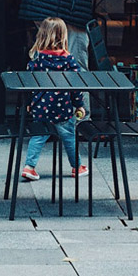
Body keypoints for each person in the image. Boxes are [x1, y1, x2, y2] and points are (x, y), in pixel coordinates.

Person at [18, 17, 88, 182]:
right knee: (69, 137)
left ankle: (29, 167)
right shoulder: (68, 60)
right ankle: (76, 167)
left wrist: (29, 103)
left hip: (41, 107)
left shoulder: (37, 59)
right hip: (62, 108)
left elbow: (29, 84)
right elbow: (75, 87)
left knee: (38, 136)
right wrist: (79, 105)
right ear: (63, 36)